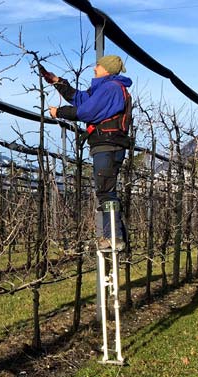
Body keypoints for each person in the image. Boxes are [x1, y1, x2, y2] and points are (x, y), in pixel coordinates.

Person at [42, 55, 133, 251]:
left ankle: (113, 238)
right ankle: (115, 236)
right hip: (108, 144)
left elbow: (86, 112)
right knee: (106, 191)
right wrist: (58, 82)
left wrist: (60, 113)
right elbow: (82, 99)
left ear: (106, 69)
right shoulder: (107, 88)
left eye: (98, 65)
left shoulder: (111, 89)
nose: (94, 68)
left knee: (106, 192)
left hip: (108, 145)